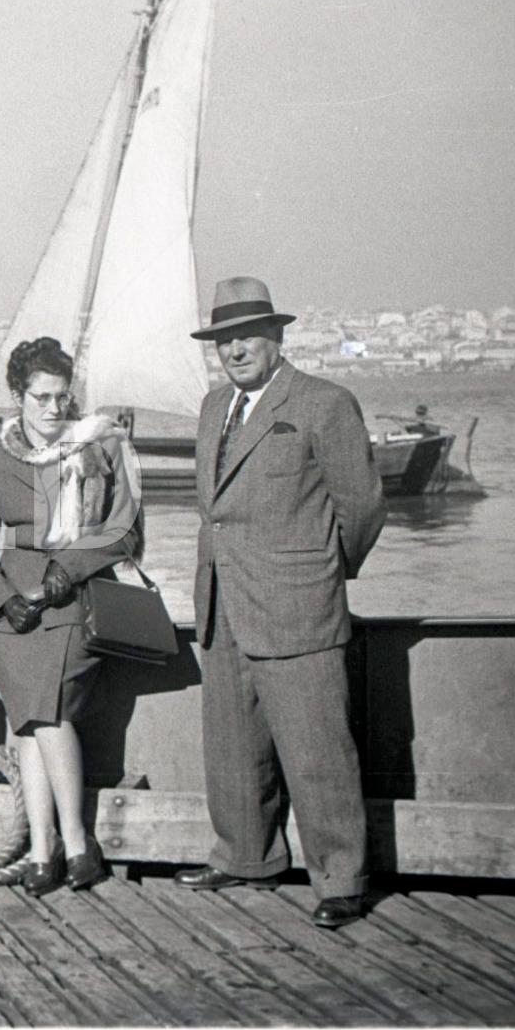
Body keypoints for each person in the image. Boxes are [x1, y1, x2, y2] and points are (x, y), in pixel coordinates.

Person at [177, 276, 387, 929]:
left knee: (317, 751)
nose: (233, 350)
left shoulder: (323, 403)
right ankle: (245, 856)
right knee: (232, 748)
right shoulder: (213, 407)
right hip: (223, 606)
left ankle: (340, 879)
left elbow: (360, 508)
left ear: (275, 335)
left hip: (297, 605)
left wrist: (321, 574)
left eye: (245, 336)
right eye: (221, 341)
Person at [0, 337, 142, 897]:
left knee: (48, 713)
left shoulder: (98, 447)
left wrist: (71, 568)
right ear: (17, 396)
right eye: (41, 397)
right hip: (13, 612)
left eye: (63, 396)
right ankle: (47, 848)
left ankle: (72, 842)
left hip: (73, 602)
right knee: (34, 723)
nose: (54, 409)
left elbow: (126, 532)